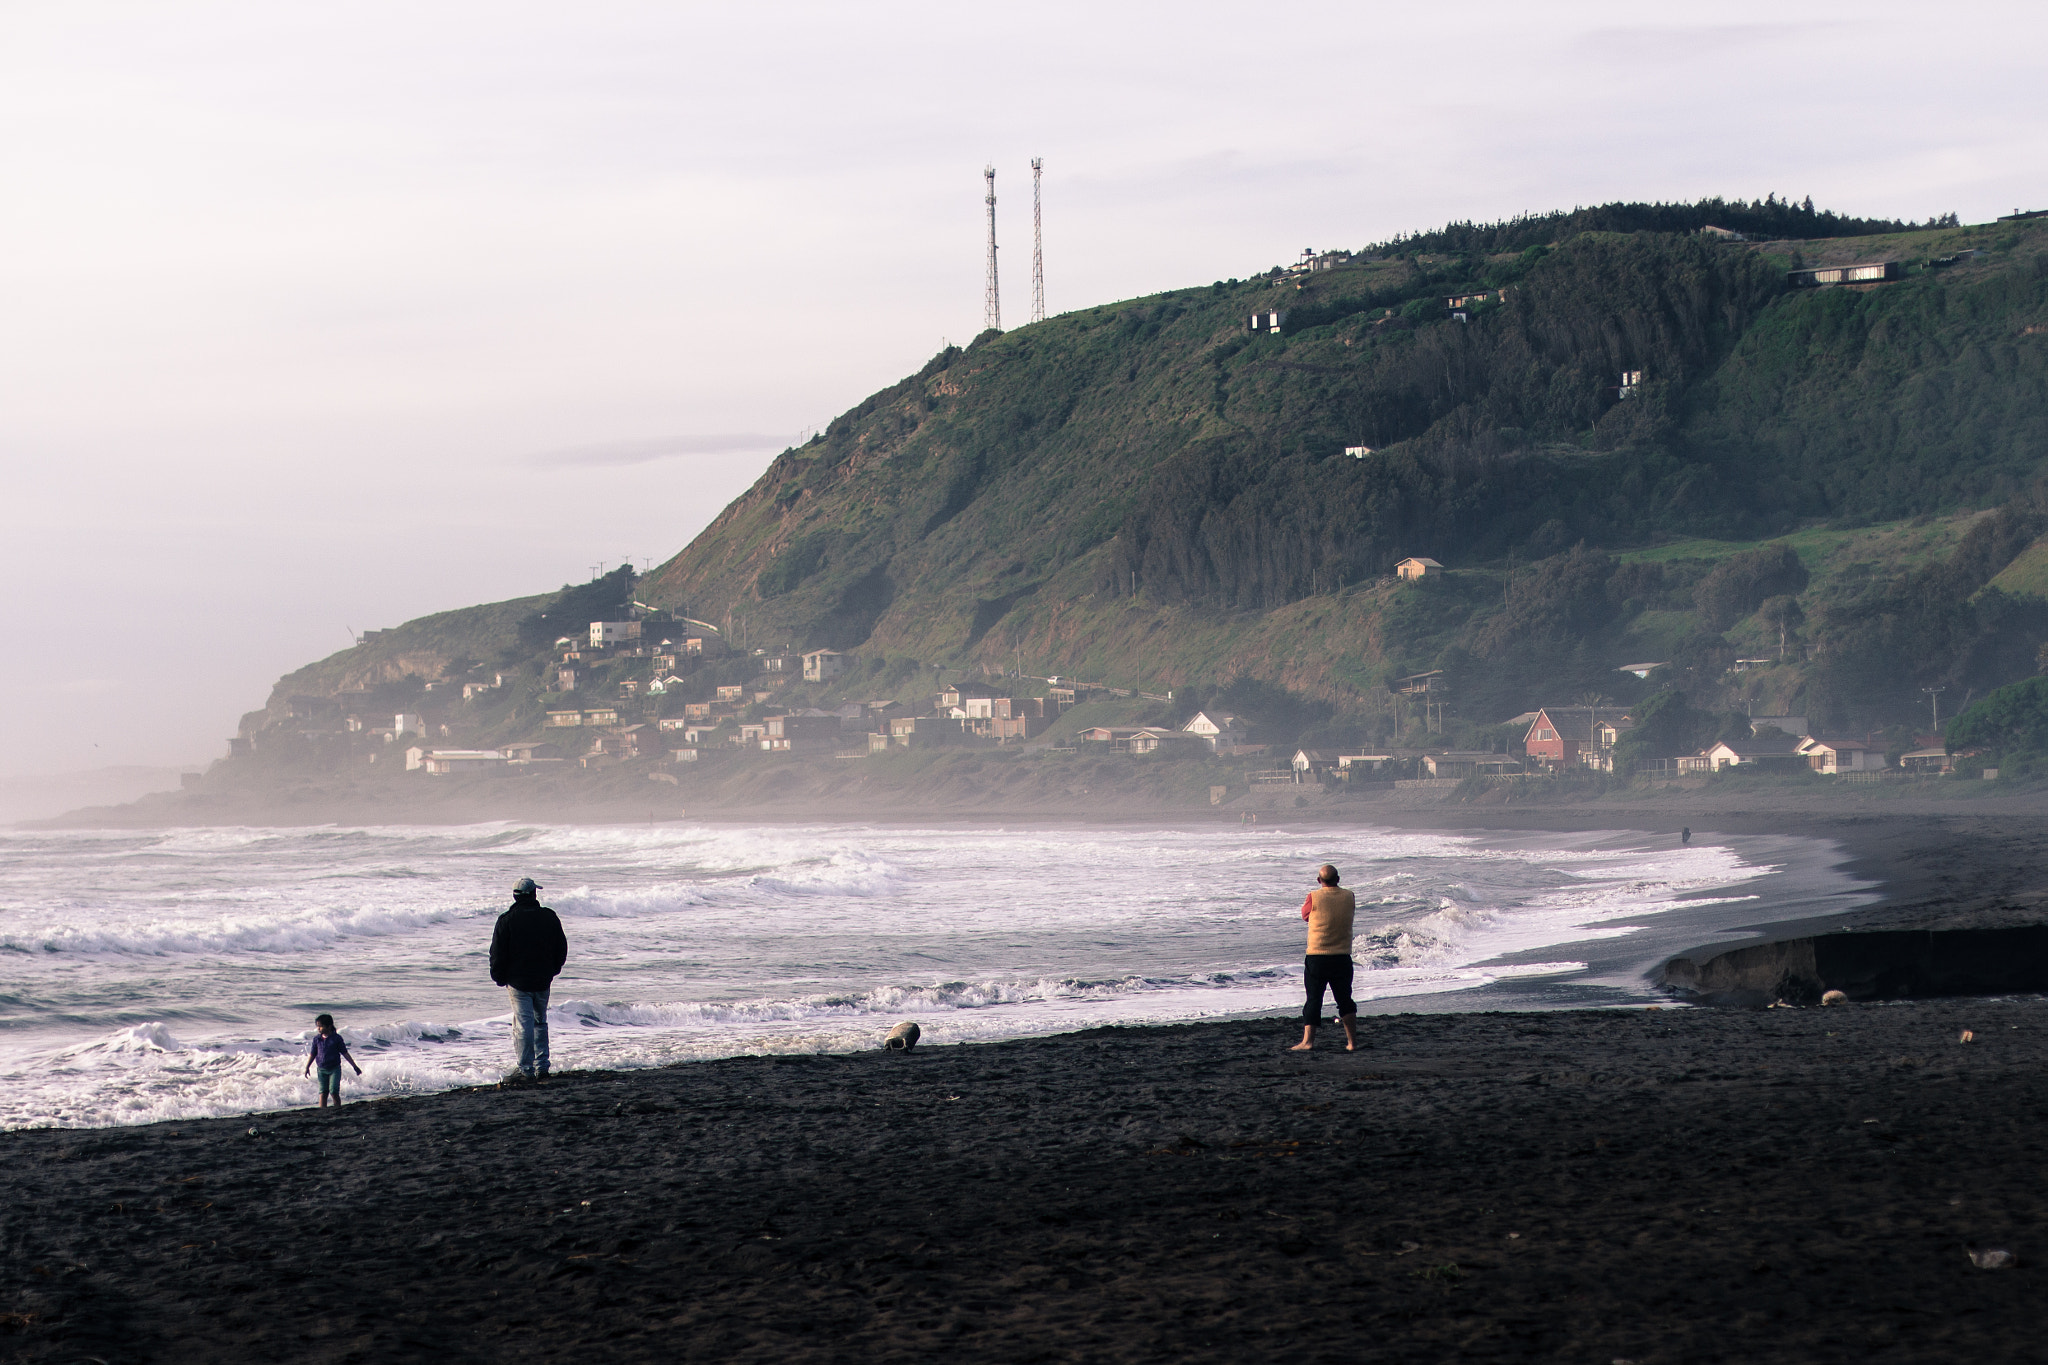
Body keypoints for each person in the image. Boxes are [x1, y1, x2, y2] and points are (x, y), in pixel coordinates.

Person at [490, 876, 568, 1080]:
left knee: (523, 1025)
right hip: (543, 979)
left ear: (515, 897)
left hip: (518, 981)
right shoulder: (549, 916)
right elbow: (561, 947)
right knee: (540, 1022)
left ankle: (525, 1069)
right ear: (534, 893)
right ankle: (542, 1066)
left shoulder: (506, 920)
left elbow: (497, 953)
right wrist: (553, 969)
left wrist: (499, 977)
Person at [1291, 864, 1358, 1052]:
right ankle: (1352, 1043)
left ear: (1319, 881)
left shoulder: (1313, 896)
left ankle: (1308, 1042)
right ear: (1338, 879)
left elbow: (1305, 916)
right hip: (1342, 955)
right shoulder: (1349, 896)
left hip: (1317, 956)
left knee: (1313, 999)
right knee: (1345, 999)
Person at [303, 1013, 363, 1108]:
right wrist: (307, 1067)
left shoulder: (336, 1038)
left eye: (321, 1026)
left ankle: (337, 1108)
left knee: (334, 1091)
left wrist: (355, 1066)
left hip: (334, 1069)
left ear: (329, 1026)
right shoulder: (317, 1039)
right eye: (317, 1026)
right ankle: (323, 1110)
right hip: (321, 1069)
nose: (318, 1029)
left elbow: (345, 1053)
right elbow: (313, 1054)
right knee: (323, 1092)